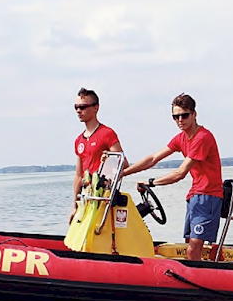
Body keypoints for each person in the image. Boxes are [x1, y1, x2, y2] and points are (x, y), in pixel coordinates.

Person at [122, 93, 223, 260]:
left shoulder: (202, 138)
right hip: (194, 196)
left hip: (209, 197)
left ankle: (196, 282)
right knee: (186, 246)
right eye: (175, 117)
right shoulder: (181, 138)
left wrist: (150, 182)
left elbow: (180, 173)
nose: (180, 120)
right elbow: (153, 158)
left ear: (194, 114)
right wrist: (124, 173)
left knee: (193, 250)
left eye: (184, 115)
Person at [69, 87, 127, 223]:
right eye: (76, 107)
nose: (78, 111)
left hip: (103, 196)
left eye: (82, 107)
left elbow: (123, 164)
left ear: (96, 108)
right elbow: (78, 174)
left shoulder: (107, 133)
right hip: (86, 196)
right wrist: (74, 205)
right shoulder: (79, 140)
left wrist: (108, 163)